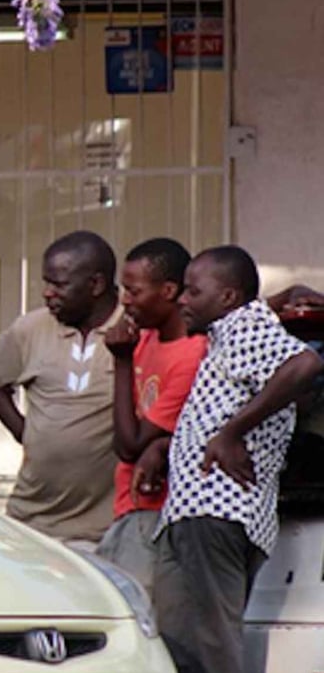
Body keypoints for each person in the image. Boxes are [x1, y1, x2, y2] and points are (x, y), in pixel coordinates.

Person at [141, 246, 324, 673]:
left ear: (226, 297)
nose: (181, 297)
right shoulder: (234, 328)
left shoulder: (244, 327)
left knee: (206, 666)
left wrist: (231, 432)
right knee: (194, 662)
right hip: (204, 515)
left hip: (213, 515)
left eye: (193, 290)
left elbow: (306, 365)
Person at [0, 231, 122, 548]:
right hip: (31, 522)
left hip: (104, 529)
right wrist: (22, 431)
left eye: (59, 284)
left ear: (95, 285)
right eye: (46, 282)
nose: (47, 293)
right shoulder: (33, 328)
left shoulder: (133, 329)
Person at [94, 238, 208, 596]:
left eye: (133, 290)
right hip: (128, 508)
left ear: (169, 291)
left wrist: (123, 362)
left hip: (157, 511)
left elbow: (130, 446)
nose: (125, 300)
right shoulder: (145, 337)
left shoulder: (192, 355)